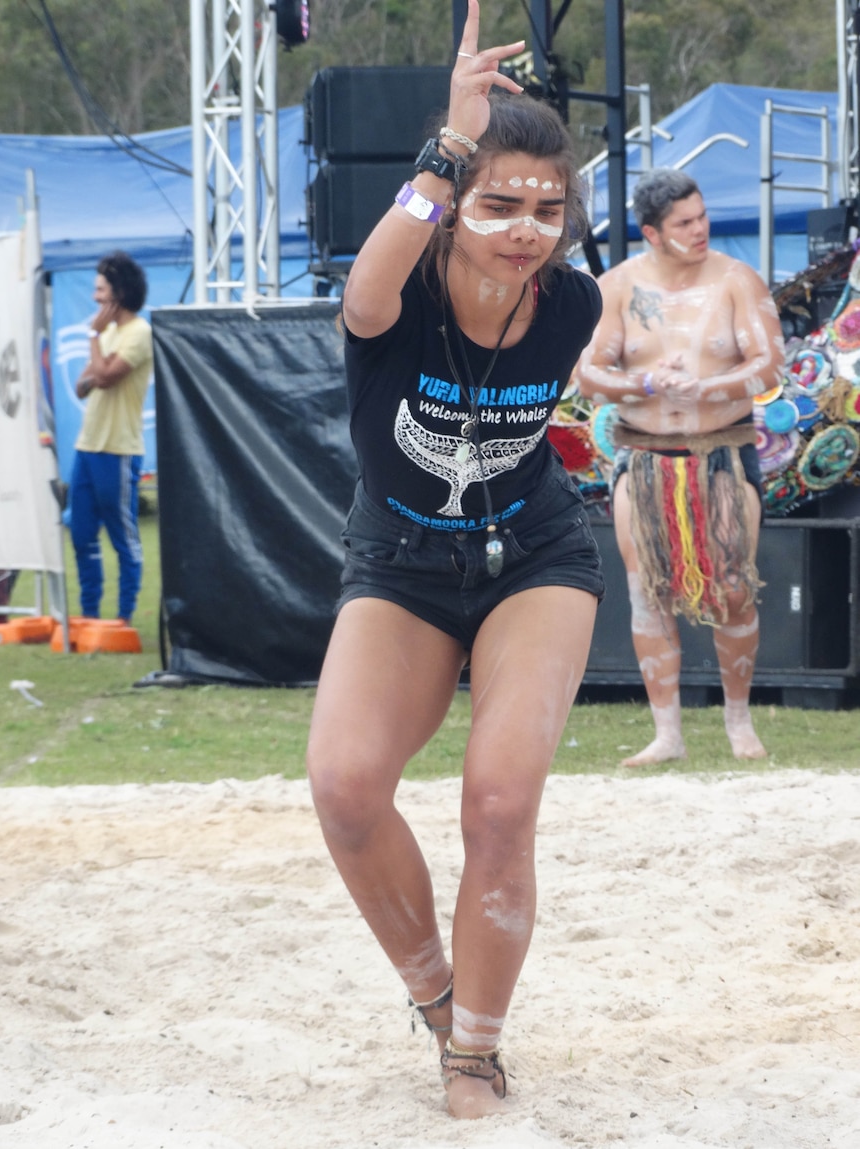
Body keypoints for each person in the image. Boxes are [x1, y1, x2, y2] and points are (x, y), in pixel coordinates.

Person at [305, 0, 604, 1121]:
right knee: (342, 787)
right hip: (398, 560)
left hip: (534, 553)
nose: (524, 225)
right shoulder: (401, 295)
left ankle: (475, 1055)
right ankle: (435, 999)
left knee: (498, 801)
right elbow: (360, 290)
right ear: (453, 208)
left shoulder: (569, 303)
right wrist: (448, 142)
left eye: (545, 206)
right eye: (497, 204)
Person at [576, 168, 785, 766]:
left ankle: (738, 721)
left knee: (733, 589)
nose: (700, 230)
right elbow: (587, 374)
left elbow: (771, 365)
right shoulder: (616, 287)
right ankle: (667, 733)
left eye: (702, 216)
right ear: (651, 232)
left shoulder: (735, 281)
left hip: (719, 450)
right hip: (642, 457)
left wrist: (708, 386)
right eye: (684, 223)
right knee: (648, 595)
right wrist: (643, 380)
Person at [70, 251, 152, 626]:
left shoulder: (138, 333)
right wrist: (98, 351)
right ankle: (89, 614)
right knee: (82, 535)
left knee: (123, 538)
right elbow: (82, 386)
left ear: (118, 292)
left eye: (100, 289)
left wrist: (93, 338)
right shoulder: (109, 334)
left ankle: (123, 616)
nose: (95, 298)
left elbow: (102, 378)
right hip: (87, 447)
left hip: (118, 450)